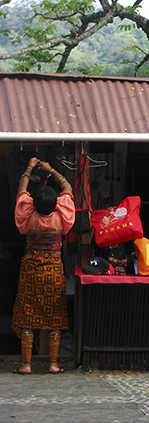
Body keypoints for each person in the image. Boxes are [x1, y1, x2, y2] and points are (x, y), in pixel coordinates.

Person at [12, 157, 75, 375]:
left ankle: (26, 365)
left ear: (34, 204)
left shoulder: (27, 216)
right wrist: (51, 170)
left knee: (28, 315)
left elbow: (22, 191)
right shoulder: (61, 216)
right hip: (53, 271)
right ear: (55, 203)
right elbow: (67, 187)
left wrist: (29, 167)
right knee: (54, 316)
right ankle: (53, 364)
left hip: (30, 270)